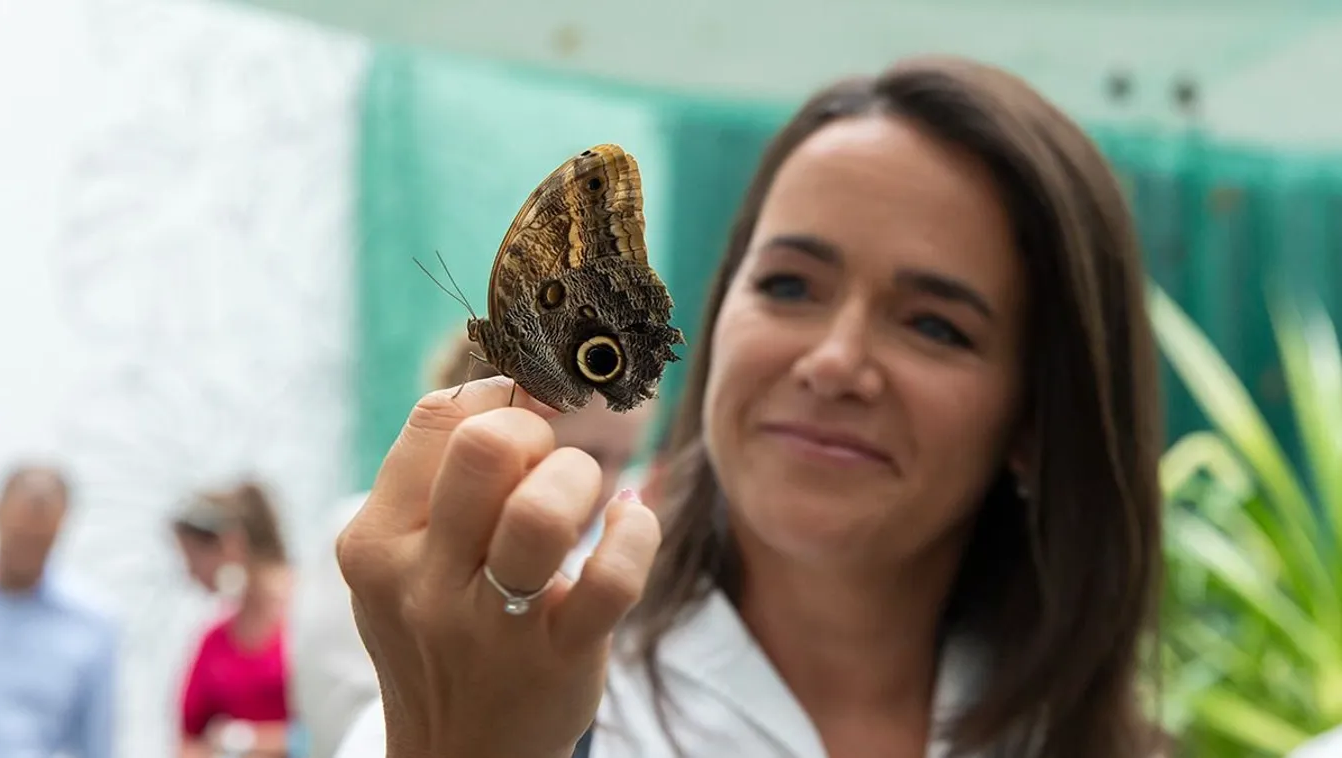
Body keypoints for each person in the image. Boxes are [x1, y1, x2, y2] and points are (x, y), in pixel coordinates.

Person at [334, 54, 1165, 758]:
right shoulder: (519, 701)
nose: (833, 362)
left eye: (934, 325)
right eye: (789, 285)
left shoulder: (1069, 736)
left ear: (1035, 416)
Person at [293, 329, 657, 758]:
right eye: (588, 455)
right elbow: (336, 724)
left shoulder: (586, 574)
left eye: (624, 460)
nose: (605, 486)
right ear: (505, 423)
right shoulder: (363, 544)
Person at [0, 464, 118, 758]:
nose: (27, 552)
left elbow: (96, 745)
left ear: (62, 527)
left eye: (39, 541)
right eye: (19, 536)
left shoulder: (93, 625)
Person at [172, 482, 294, 757]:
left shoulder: (306, 619)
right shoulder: (214, 639)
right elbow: (188, 739)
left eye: (193, 559)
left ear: (230, 543)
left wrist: (243, 741)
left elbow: (333, 723)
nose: (191, 574)